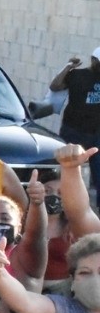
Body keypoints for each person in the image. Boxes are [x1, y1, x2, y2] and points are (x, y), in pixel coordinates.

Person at [50, 48, 100, 202]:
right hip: (73, 131)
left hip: (96, 133)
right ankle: (63, 201)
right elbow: (55, 86)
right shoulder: (78, 75)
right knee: (67, 167)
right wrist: (68, 66)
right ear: (93, 60)